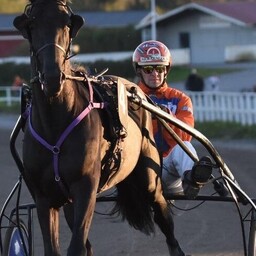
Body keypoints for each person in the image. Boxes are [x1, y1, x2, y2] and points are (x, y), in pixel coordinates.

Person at [132, 40, 212, 199]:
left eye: (159, 68)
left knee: (186, 146)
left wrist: (166, 118)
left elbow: (184, 136)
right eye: (148, 69)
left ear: (166, 70)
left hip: (167, 169)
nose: (155, 74)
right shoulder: (130, 98)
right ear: (139, 71)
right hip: (138, 169)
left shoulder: (180, 99)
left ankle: (192, 180)